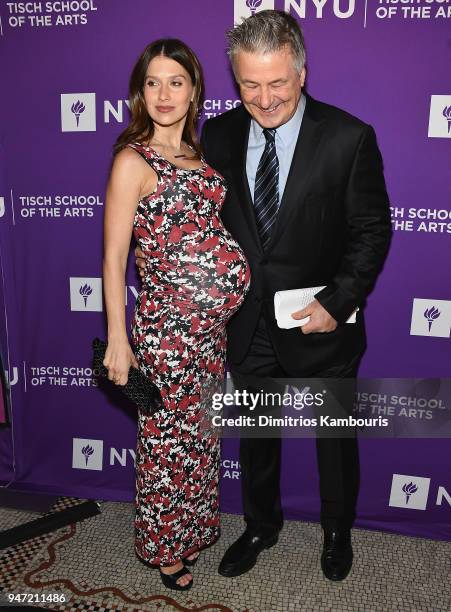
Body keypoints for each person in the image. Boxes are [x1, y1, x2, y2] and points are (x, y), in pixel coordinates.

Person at [136, 10, 391, 581]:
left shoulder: (350, 137)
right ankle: (260, 525)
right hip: (247, 322)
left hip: (322, 321)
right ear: (234, 79)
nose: (266, 97)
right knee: (256, 438)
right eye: (250, 84)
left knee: (334, 438)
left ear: (301, 71)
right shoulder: (219, 136)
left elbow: (372, 232)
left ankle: (335, 530)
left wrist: (338, 301)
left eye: (277, 82)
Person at [102, 38, 250, 591]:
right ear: (140, 93)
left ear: (194, 92)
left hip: (210, 335)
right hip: (165, 334)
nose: (163, 94)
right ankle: (165, 549)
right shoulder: (131, 160)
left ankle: (191, 531)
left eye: (176, 82)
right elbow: (115, 257)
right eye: (152, 83)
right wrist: (118, 339)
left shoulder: (199, 157)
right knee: (166, 446)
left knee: (198, 441)